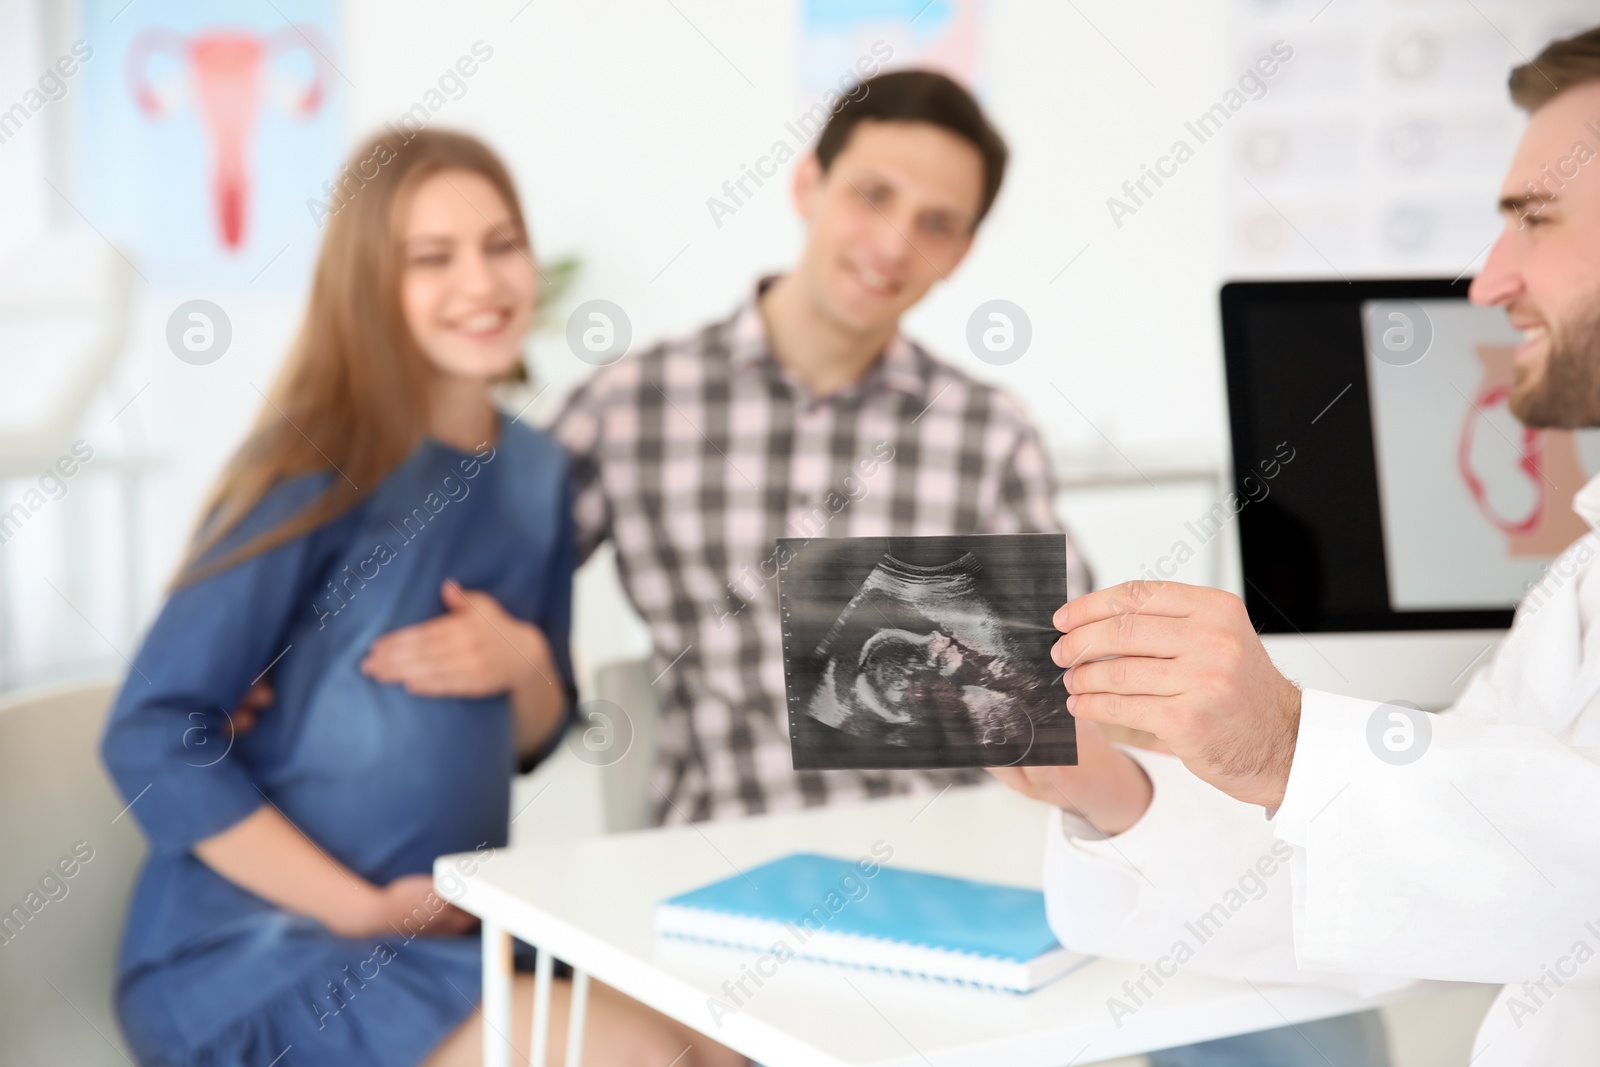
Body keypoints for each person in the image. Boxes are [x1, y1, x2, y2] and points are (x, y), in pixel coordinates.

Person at [552, 69, 1381, 1062]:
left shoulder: (984, 429)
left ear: (961, 251)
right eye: (871, 194)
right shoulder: (635, 402)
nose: (894, 241)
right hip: (740, 874)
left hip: (966, 870)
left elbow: (1077, 671)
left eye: (936, 222)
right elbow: (499, 572)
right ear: (808, 184)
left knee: (1305, 1032)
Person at [994, 25, 1600, 1067]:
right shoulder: (1578, 578)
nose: (1485, 282)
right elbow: (1405, 878)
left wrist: (1283, 738)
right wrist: (1112, 791)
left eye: (1534, 222)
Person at [100, 129, 742, 1067]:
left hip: (447, 931)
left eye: (501, 244)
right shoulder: (312, 460)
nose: (481, 283)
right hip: (263, 951)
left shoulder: (537, 473)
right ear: (369, 286)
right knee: (652, 1058)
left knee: (729, 1040)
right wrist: (360, 909)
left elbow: (534, 736)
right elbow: (149, 731)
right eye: (431, 259)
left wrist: (523, 664)